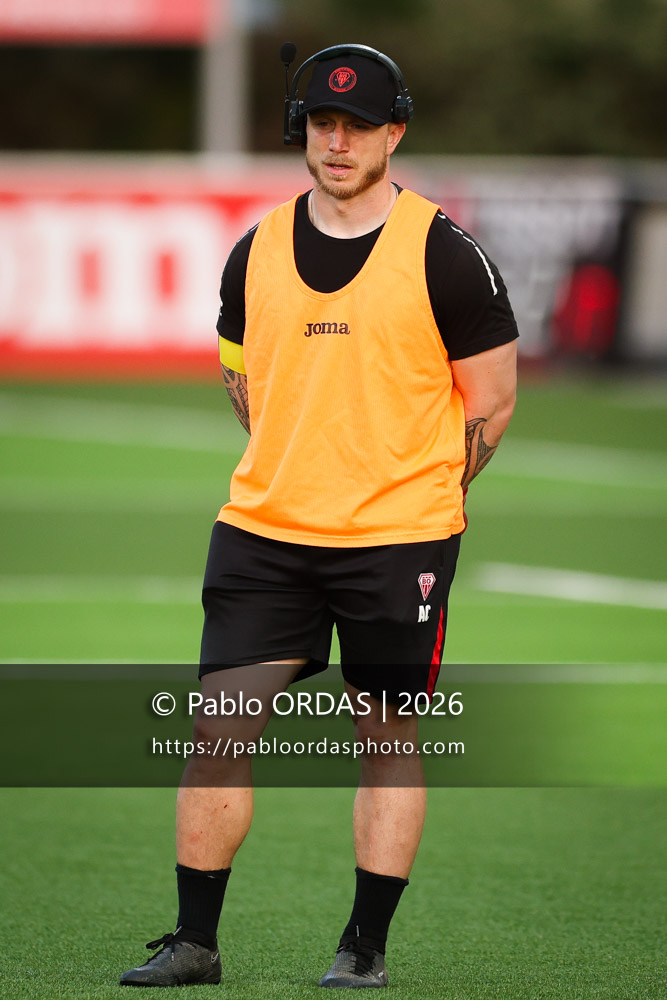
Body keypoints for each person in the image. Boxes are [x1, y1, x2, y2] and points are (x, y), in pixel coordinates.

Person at [120, 43, 517, 989]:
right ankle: (193, 943)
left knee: (384, 738)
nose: (338, 143)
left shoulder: (446, 254)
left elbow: (492, 401)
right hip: (265, 531)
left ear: (394, 134)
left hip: (398, 539)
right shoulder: (255, 247)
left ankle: (363, 947)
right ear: (303, 132)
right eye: (322, 124)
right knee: (218, 729)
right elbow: (239, 372)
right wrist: (300, 463)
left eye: (358, 126)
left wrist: (420, 497)